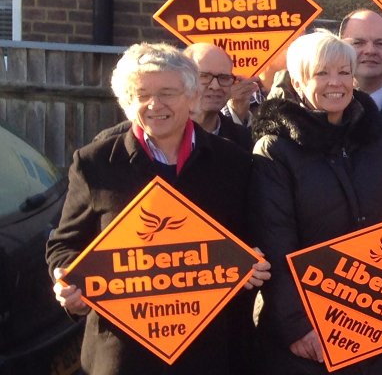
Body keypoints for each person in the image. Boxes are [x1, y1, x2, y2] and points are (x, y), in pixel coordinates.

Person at [46, 42, 270, 374]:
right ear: (126, 102)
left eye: (168, 92)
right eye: (141, 95)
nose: (155, 105)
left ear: (191, 97)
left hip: (212, 349)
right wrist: (68, 283)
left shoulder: (234, 162)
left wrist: (255, 262)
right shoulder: (95, 163)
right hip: (123, 352)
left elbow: (255, 236)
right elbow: (63, 245)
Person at [249, 30, 382, 374]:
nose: (335, 83)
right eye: (321, 73)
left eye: (344, 72)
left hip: (379, 316)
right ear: (297, 80)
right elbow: (274, 243)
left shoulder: (376, 137)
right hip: (312, 329)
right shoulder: (275, 149)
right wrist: (296, 327)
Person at [183, 42, 255, 149]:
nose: (215, 86)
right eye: (204, 76)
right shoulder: (160, 136)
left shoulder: (244, 141)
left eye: (224, 77)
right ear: (182, 79)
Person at [339, 8, 382, 121]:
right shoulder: (323, 107)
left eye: (380, 43)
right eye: (358, 43)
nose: (370, 50)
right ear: (340, 48)